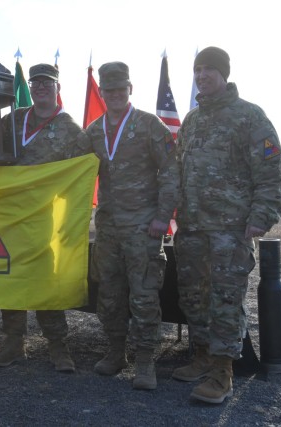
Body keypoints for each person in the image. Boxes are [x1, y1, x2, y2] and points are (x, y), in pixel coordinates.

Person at [172, 47, 281, 403]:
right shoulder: (192, 120)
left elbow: (271, 175)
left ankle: (223, 375)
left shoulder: (249, 117)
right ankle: (204, 356)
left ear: (224, 74)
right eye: (198, 69)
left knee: (225, 301)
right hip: (192, 229)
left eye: (209, 69)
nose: (202, 75)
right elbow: (178, 170)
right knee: (193, 297)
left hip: (230, 230)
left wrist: (260, 218)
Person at [0, 63, 88, 373]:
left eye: (47, 83)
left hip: (44, 216)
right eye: (36, 83)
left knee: (45, 279)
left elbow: (81, 175)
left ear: (58, 87)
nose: (41, 87)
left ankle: (58, 344)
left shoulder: (71, 129)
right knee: (11, 277)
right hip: (7, 212)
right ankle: (13, 343)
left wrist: (71, 220)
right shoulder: (15, 119)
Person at [84, 61, 178, 390]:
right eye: (108, 90)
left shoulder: (150, 125)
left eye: (120, 89)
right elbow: (70, 167)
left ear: (130, 89)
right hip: (108, 228)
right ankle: (114, 352)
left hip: (144, 227)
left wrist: (163, 216)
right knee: (108, 294)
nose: (114, 95)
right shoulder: (94, 131)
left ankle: (146, 361)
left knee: (144, 296)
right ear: (102, 92)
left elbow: (170, 171)